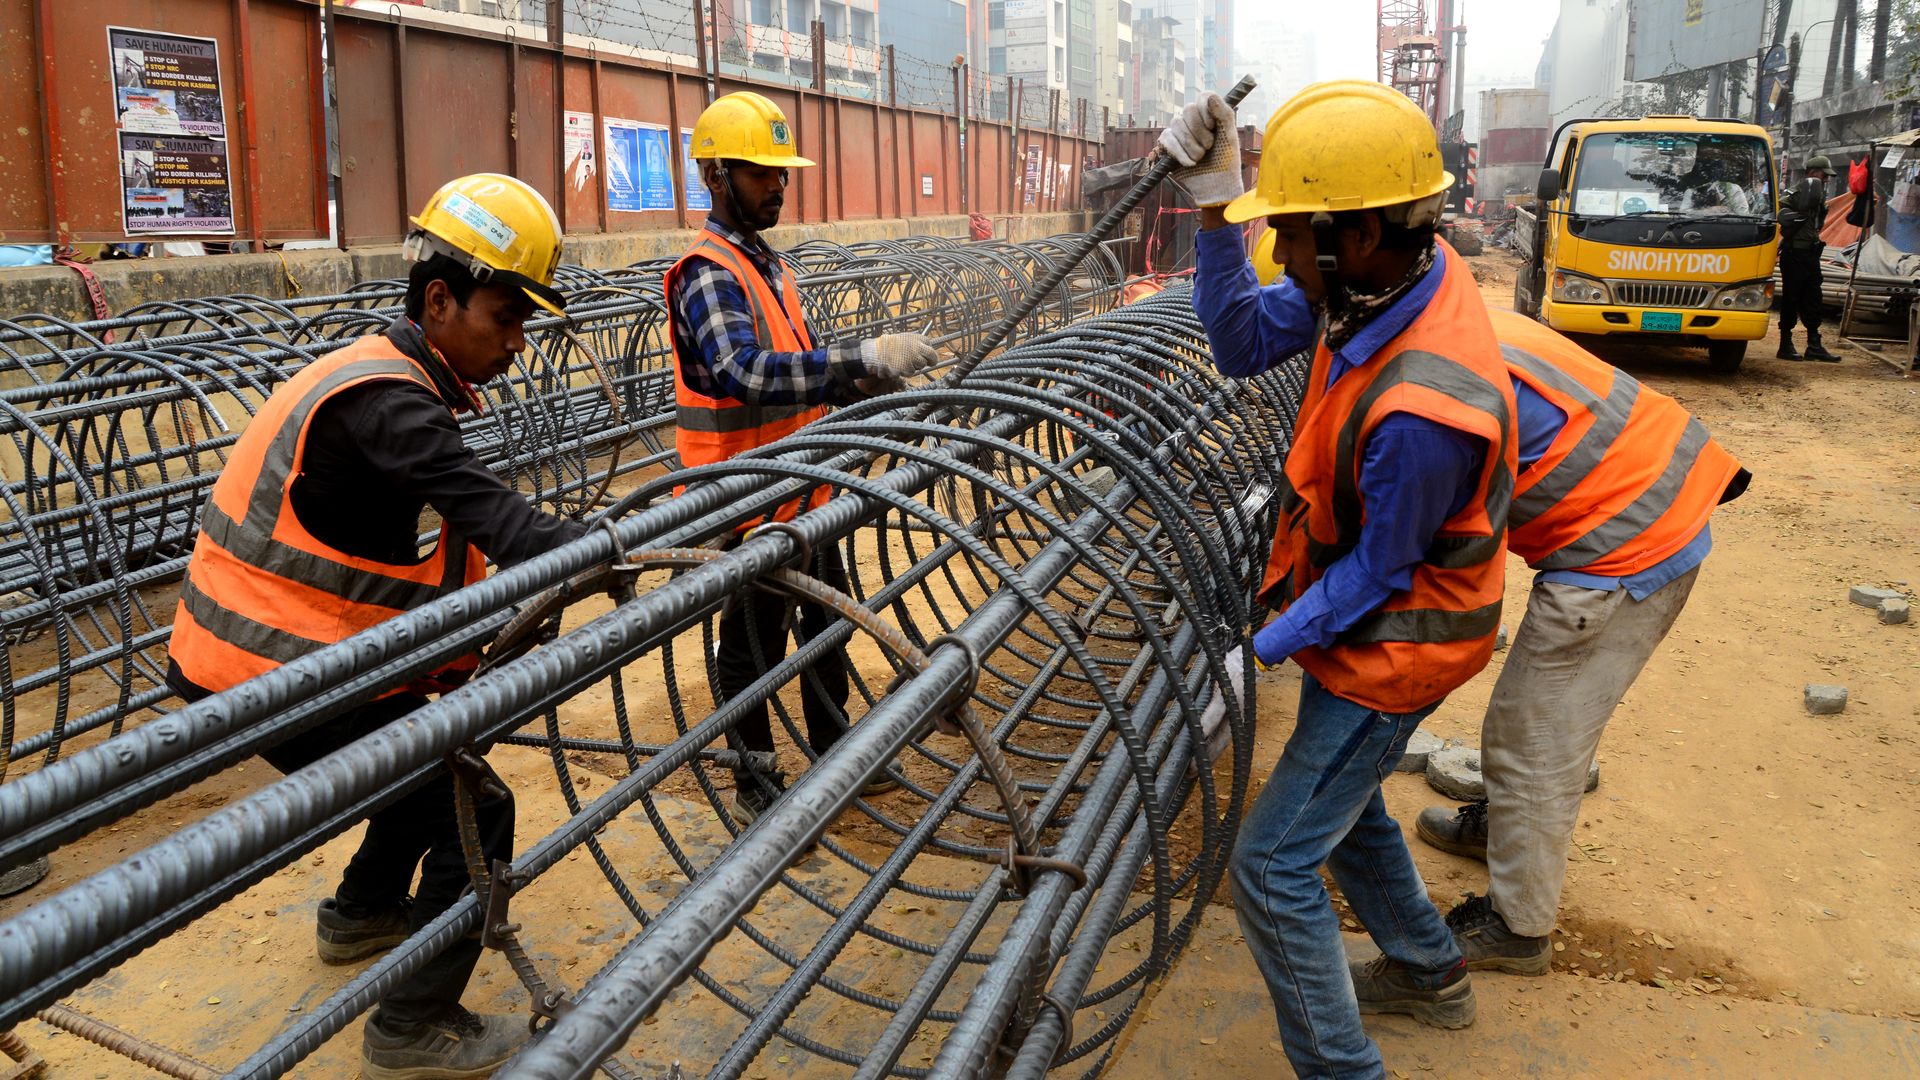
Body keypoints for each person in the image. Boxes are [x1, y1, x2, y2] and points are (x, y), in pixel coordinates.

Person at [166, 173, 585, 1080]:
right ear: (439, 300)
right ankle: (412, 1024)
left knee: (422, 752)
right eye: (506, 317)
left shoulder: (383, 377)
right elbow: (504, 526)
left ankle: (360, 914)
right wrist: (627, 545)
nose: (517, 343)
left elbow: (392, 569)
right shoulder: (390, 401)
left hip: (272, 656)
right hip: (264, 668)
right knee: (475, 805)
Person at [1165, 80, 1519, 1077]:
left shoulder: (1425, 406)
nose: (1279, 256)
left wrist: (1260, 652)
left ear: (1356, 234)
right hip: (1370, 618)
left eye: (1289, 235)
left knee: (1272, 868)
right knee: (1344, 798)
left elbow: (1380, 570)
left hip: (1404, 639)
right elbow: (1239, 341)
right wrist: (1212, 199)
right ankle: (1428, 970)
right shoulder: (1387, 277)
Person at [1415, 308, 1749, 973]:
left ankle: (1519, 928)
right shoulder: (1451, 313)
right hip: (1658, 488)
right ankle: (1507, 836)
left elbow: (1441, 545)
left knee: (1532, 739)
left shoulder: (1435, 382)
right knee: (1527, 720)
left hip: (1627, 541)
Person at [667, 91, 938, 827]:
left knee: (826, 624)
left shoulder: (771, 268)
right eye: (763, 173)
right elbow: (744, 373)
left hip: (804, 487)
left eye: (783, 173)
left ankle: (834, 743)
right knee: (752, 644)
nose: (779, 185)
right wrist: (859, 355)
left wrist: (875, 394)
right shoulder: (708, 271)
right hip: (748, 498)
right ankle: (754, 775)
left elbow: (802, 374)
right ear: (718, 175)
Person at [1777, 155, 1837, 361]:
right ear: (1812, 173)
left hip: (1811, 254)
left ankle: (1814, 345)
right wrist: (1792, 214)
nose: (1826, 179)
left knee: (1813, 299)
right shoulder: (1795, 193)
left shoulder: (1818, 195)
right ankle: (1785, 344)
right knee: (1791, 299)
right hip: (1794, 254)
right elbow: (1780, 210)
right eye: (1823, 174)